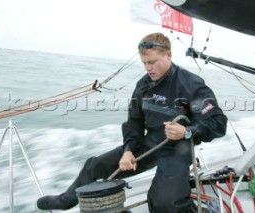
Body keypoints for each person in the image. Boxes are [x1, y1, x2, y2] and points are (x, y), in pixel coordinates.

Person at [36, 32, 227, 212]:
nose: (147, 68)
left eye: (152, 62)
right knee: (93, 166)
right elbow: (134, 122)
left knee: (164, 203)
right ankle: (64, 200)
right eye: (144, 63)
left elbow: (219, 123)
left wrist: (187, 131)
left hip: (177, 150)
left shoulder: (191, 85)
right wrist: (128, 150)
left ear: (168, 55)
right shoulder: (143, 85)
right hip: (148, 144)